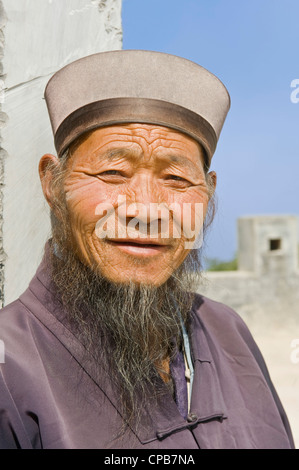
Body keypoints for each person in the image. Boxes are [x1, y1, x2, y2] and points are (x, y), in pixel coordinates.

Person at [0, 50, 294, 449]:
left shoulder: (228, 330)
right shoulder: (10, 366)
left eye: (175, 178)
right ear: (53, 184)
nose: (147, 210)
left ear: (207, 192)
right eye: (113, 173)